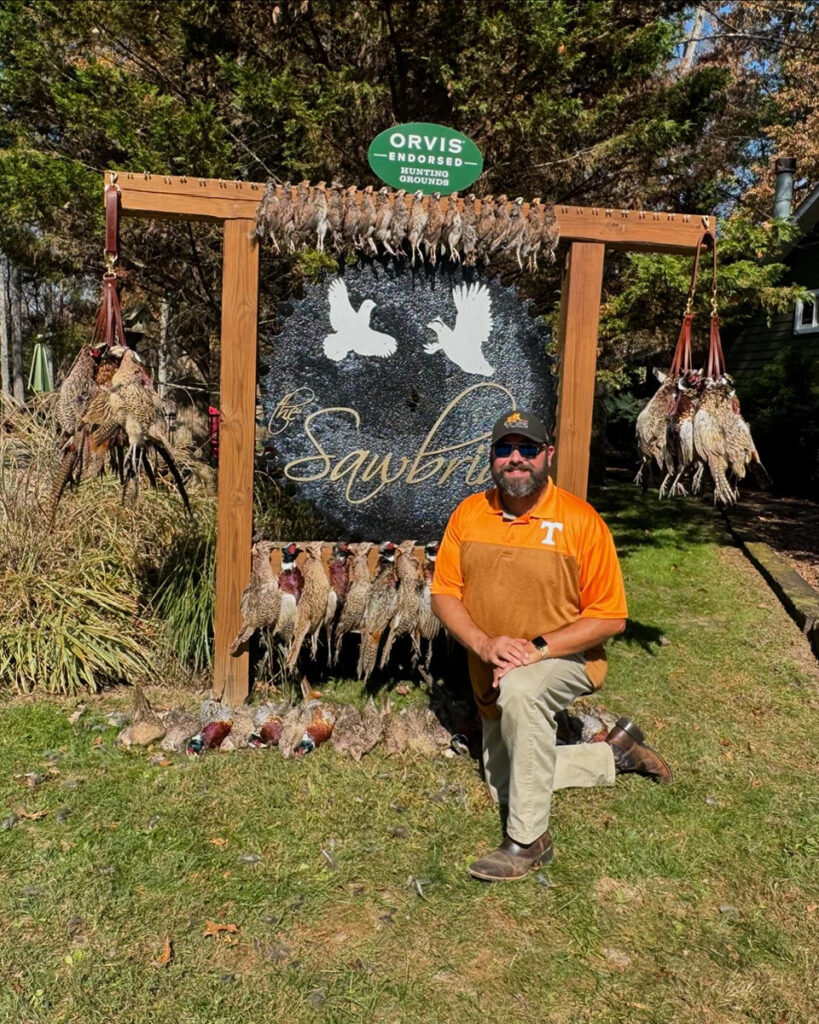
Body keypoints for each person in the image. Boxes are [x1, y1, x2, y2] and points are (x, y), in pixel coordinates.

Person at [430, 409, 672, 882]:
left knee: (522, 690)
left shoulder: (580, 522)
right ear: (492, 457)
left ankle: (528, 841)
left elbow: (610, 616)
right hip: (491, 665)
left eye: (528, 449)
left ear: (548, 456)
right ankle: (612, 756)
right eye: (505, 448)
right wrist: (483, 643)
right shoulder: (469, 513)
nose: (516, 459)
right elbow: (443, 594)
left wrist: (534, 649)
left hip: (565, 657)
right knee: (504, 781)